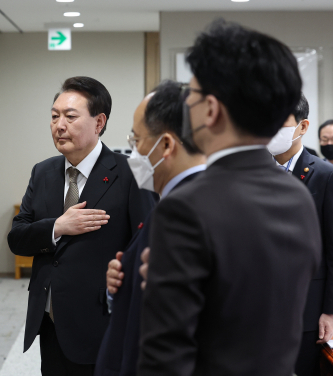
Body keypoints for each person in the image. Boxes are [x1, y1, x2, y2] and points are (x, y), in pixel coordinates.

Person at [138, 19, 322, 376]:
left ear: (211, 109)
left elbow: (165, 353)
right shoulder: (298, 195)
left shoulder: (186, 207)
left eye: (190, 95)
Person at [8, 76, 156, 376]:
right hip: (49, 321)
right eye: (54, 116)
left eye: (70, 117)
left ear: (99, 122)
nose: (59, 125)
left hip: (102, 322)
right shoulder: (43, 172)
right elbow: (17, 237)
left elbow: (146, 245)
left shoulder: (130, 174)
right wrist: (57, 226)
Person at [96, 80, 206, 376]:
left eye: (136, 140)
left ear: (167, 144)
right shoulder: (182, 202)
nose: (134, 153)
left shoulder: (181, 214)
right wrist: (121, 281)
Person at [268, 94, 333, 375]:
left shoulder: (325, 175)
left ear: (303, 127)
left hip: (307, 307)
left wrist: (330, 311)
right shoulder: (252, 174)